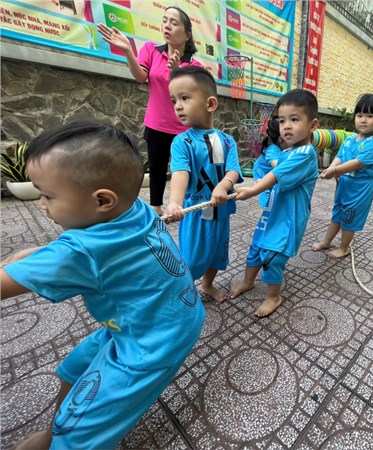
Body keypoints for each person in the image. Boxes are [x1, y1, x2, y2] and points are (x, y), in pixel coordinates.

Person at [0, 121, 205, 449]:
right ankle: (55, 433)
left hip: (151, 343)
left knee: (81, 434)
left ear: (102, 201)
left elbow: (77, 253)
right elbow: (91, 249)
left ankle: (71, 440)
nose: (41, 204)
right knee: (74, 369)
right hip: (171, 315)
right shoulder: (135, 208)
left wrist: (31, 257)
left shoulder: (81, 252)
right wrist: (36, 253)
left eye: (48, 195)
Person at [98, 6, 202, 216]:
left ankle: (185, 206)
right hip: (156, 124)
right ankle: (156, 207)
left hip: (184, 129)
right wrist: (128, 51)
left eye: (174, 23)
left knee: (185, 169)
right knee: (157, 169)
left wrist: (177, 73)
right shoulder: (151, 50)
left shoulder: (195, 66)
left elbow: (192, 96)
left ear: (187, 34)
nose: (167, 26)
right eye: (165, 20)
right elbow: (140, 77)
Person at [228, 89, 319, 317]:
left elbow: (276, 175)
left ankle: (273, 296)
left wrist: (252, 191)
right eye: (282, 120)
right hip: (272, 215)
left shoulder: (306, 154)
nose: (286, 126)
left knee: (272, 258)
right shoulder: (288, 152)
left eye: (294, 119)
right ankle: (248, 281)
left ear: (313, 125)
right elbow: (270, 167)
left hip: (287, 221)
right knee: (256, 249)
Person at [165, 66, 242, 302]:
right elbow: (180, 173)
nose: (178, 106)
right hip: (196, 214)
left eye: (185, 98)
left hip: (221, 212)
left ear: (210, 104)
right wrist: (175, 203)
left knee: (218, 255)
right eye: (174, 100)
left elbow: (233, 170)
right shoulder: (182, 142)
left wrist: (223, 185)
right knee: (190, 259)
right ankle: (184, 292)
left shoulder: (227, 141)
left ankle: (208, 285)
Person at [312, 93, 373, 258]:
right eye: (359, 115)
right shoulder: (349, 140)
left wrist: (334, 171)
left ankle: (344, 248)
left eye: (370, 116)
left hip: (360, 188)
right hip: (344, 185)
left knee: (349, 217)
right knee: (337, 214)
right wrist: (331, 167)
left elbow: (357, 163)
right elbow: (339, 156)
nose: (363, 120)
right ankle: (326, 242)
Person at [253, 115, 283, 208]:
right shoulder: (272, 150)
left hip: (271, 174)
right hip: (261, 173)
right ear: (281, 138)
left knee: (275, 194)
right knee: (265, 198)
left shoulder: (282, 146)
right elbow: (278, 166)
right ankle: (266, 214)